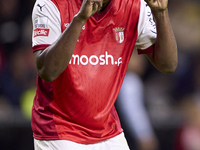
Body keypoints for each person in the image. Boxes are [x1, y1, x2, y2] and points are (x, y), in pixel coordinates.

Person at [31, 0, 178, 149]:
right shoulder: (50, 3)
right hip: (58, 131)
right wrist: (80, 19)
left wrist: (160, 14)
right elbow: (48, 71)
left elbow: (167, 65)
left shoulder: (134, 6)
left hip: (108, 132)